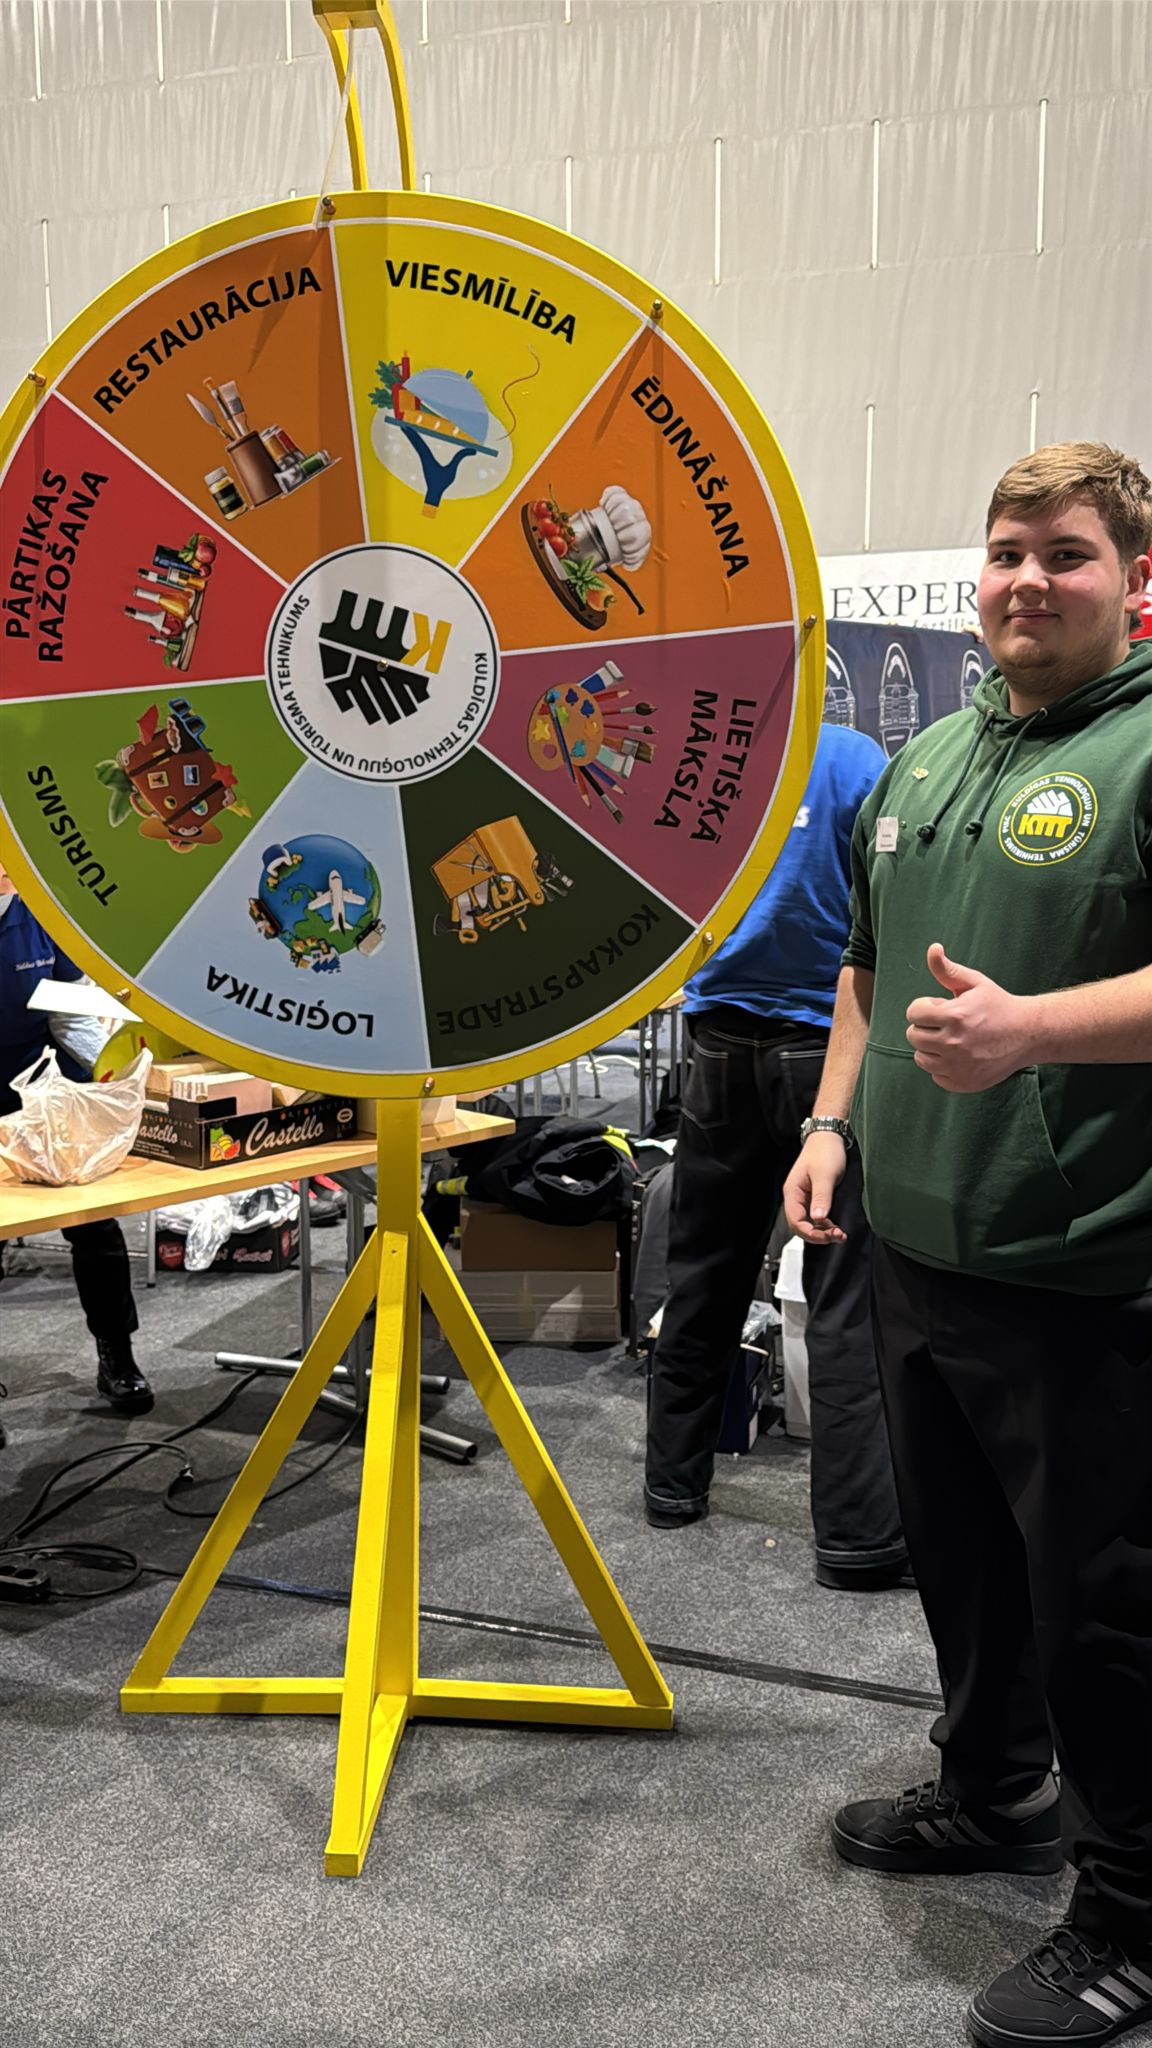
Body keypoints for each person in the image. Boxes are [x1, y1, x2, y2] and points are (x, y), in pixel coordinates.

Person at [784, 442, 1152, 2046]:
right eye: (1009, 551)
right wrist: (831, 1125)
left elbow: (1026, 1018)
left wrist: (1036, 1031)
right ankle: (996, 1790)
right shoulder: (923, 757)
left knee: (1107, 1611)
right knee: (967, 1570)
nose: (1028, 581)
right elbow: (866, 974)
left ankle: (1136, 1910)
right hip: (918, 1255)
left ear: (1135, 580)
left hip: (1090, 1274)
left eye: (1067, 554)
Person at [644, 721, 910, 1591]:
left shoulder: (708, 753)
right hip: (823, 1050)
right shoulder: (856, 760)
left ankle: (671, 1488)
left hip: (718, 1043)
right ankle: (858, 1540)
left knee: (704, 1276)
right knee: (843, 1294)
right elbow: (886, 906)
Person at [0, 866, 153, 1420]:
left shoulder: (38, 914)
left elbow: (68, 1015)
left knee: (94, 1225)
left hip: (41, 1092)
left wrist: (118, 1081)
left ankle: (117, 1356)